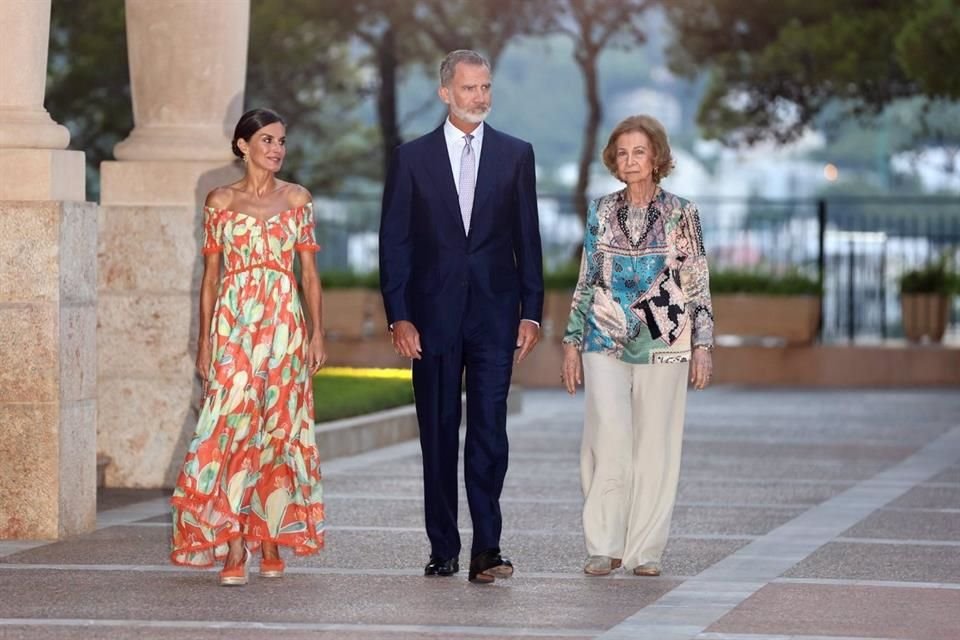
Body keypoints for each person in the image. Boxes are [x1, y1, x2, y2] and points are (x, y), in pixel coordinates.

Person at [379, 50, 544, 584]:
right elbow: (395, 244)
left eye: (486, 88)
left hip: (496, 318)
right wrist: (399, 316)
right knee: (439, 432)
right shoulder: (411, 159)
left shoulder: (517, 155)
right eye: (470, 88)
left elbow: (529, 240)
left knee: (491, 434)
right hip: (431, 320)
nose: (481, 98)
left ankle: (487, 551)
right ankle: (443, 547)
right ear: (446, 92)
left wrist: (532, 313)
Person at [170, 108, 327, 586]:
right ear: (242, 146)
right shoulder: (220, 200)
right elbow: (210, 280)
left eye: (281, 140)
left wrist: (317, 333)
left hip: (283, 326)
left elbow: (310, 277)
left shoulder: (298, 198)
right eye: (266, 139)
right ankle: (235, 542)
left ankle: (272, 535)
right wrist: (203, 342)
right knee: (227, 428)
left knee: (279, 428)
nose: (277, 149)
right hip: (233, 327)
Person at [561, 114, 714, 578]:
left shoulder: (682, 213)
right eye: (622, 153)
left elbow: (696, 280)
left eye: (639, 152)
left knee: (657, 442)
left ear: (657, 159)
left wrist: (704, 344)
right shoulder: (600, 211)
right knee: (607, 435)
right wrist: (571, 340)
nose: (630, 160)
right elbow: (587, 276)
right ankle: (602, 545)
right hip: (602, 335)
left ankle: (645, 550)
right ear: (614, 159)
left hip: (666, 338)